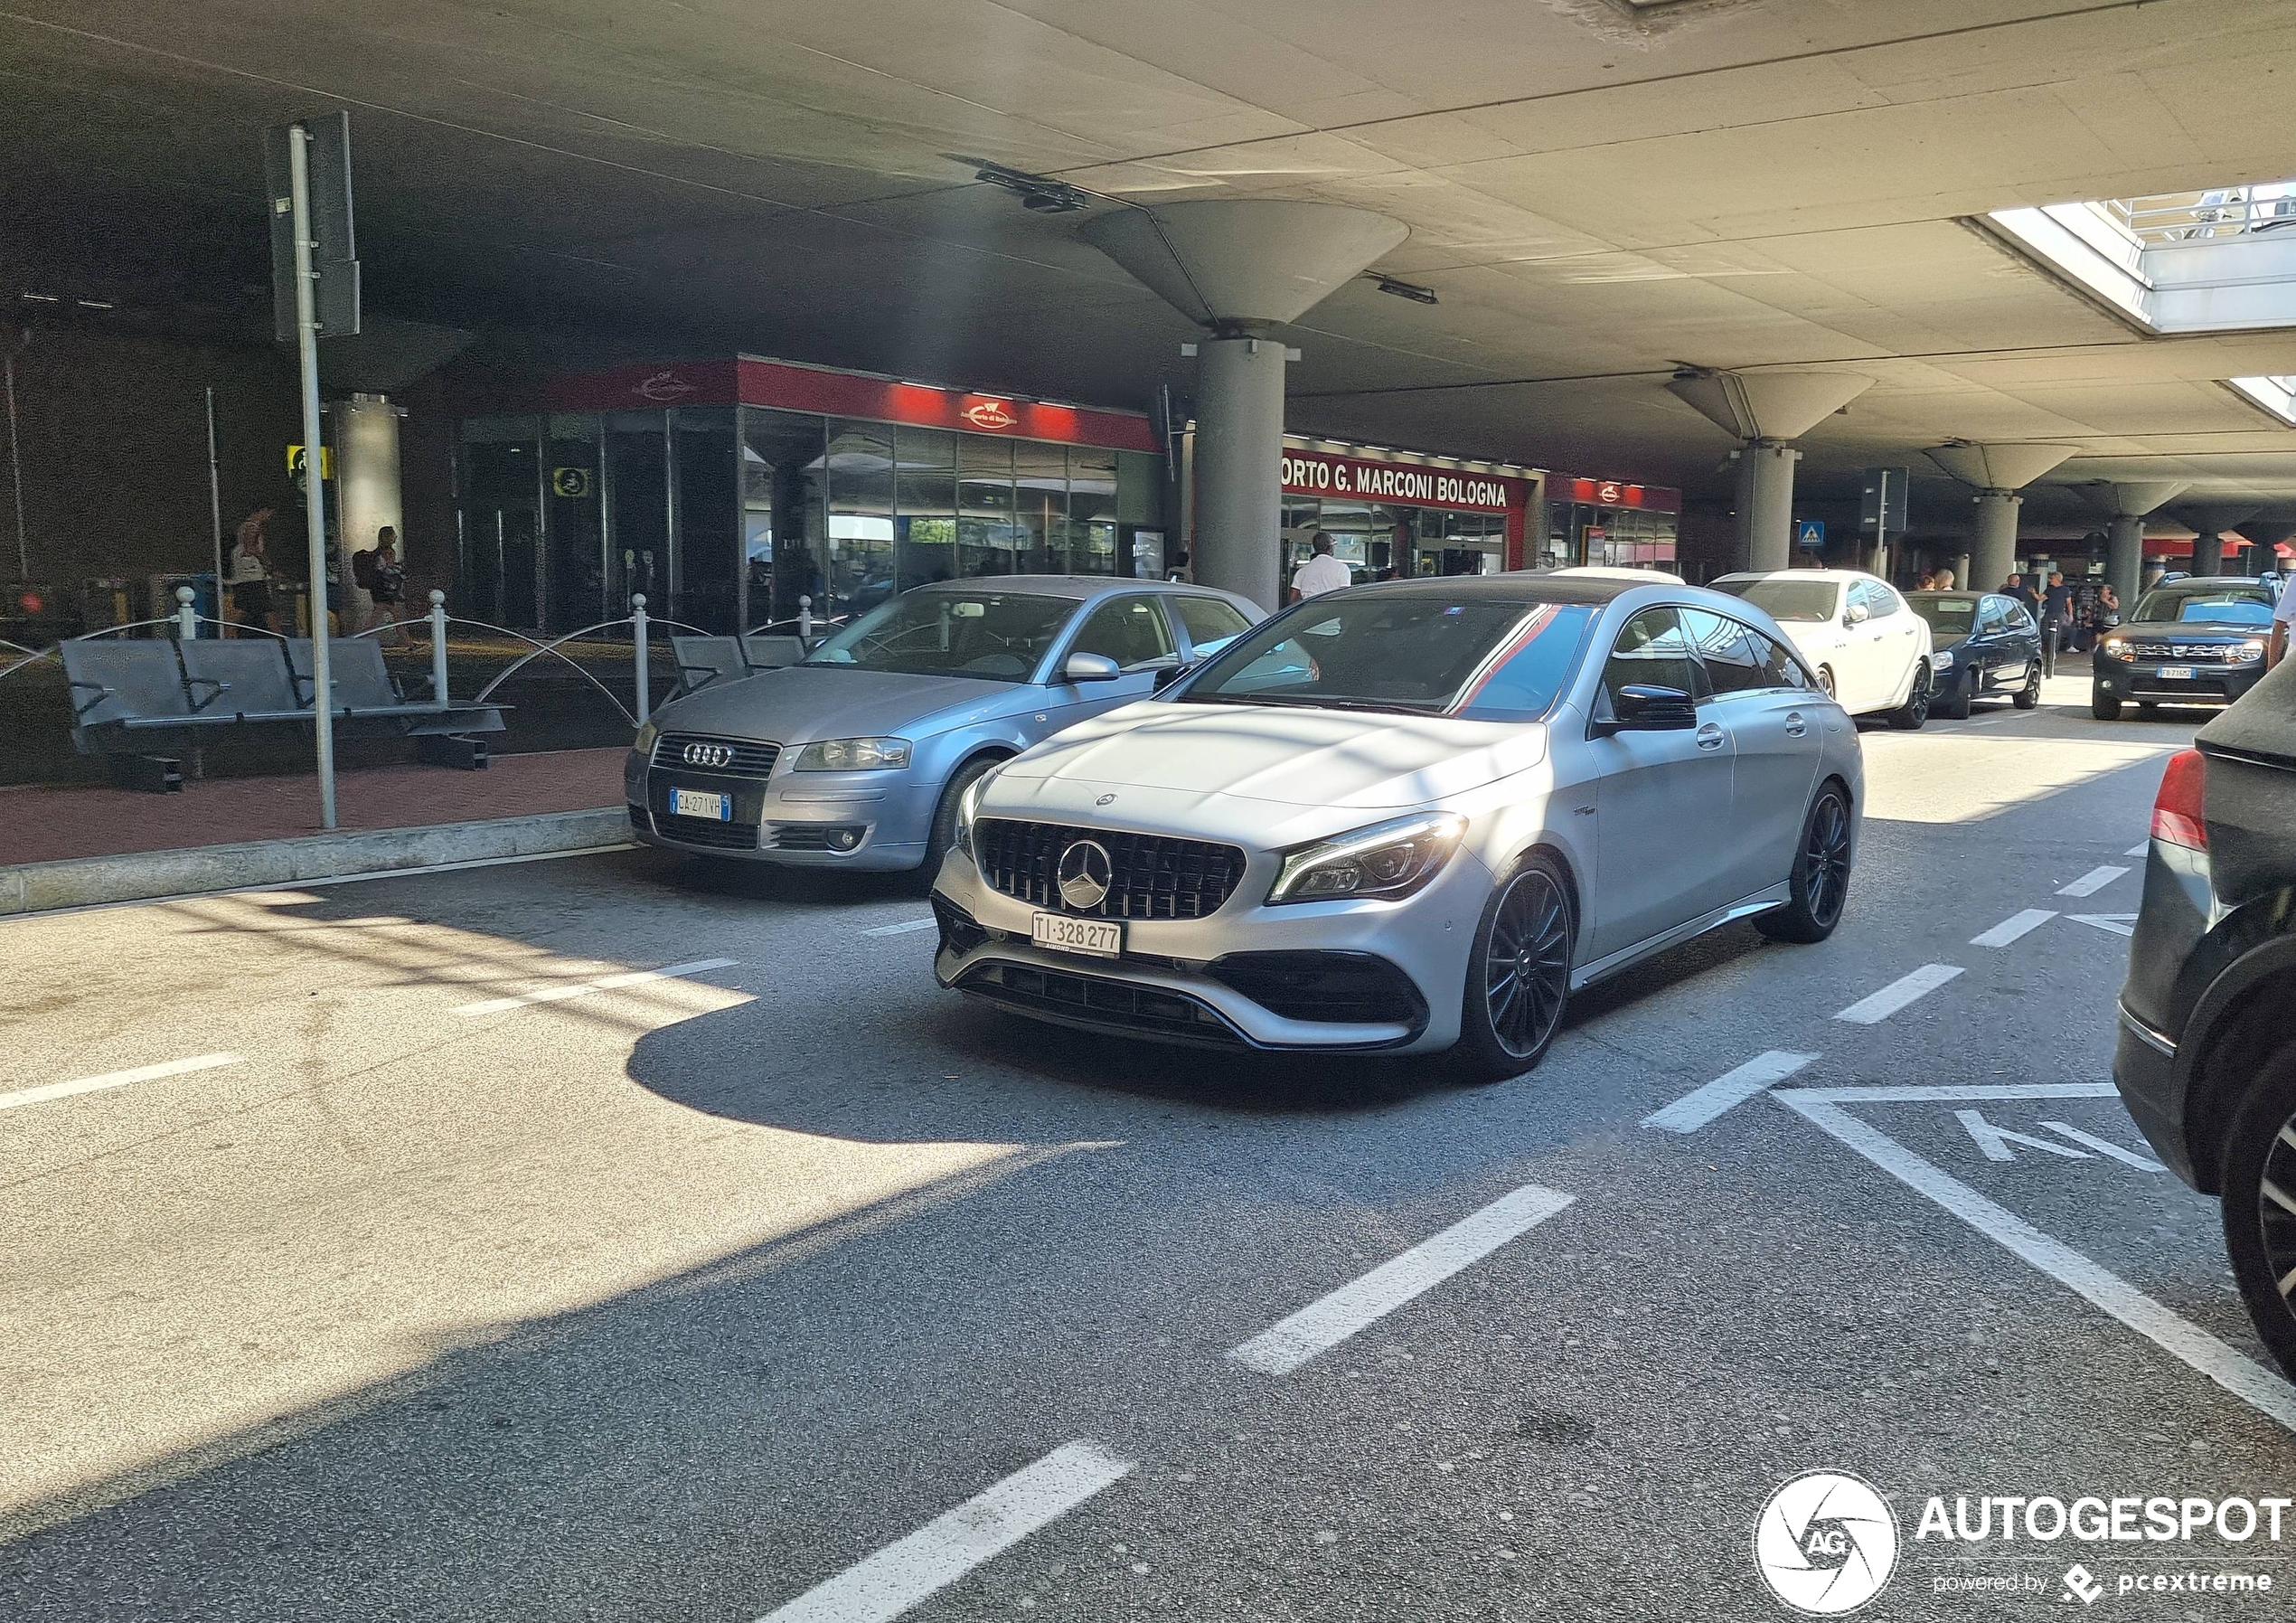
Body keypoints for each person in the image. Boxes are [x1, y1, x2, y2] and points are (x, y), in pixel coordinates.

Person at [225, 506, 275, 635]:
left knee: (245, 608)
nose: (269, 516)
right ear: (261, 511)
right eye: (268, 512)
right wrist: (266, 561)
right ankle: (280, 637)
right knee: (267, 609)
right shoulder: (252, 527)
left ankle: (228, 631)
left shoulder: (244, 527)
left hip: (246, 577)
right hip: (252, 576)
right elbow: (250, 548)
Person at [1287, 532, 1352, 602]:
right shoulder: (1342, 569)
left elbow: (1293, 599)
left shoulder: (1302, 571)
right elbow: (1345, 596)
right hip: (1332, 610)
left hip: (1308, 610)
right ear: (1329, 548)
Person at [2038, 570, 2075, 678]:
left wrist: (2070, 615)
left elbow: (2069, 603)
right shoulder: (2049, 590)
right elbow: (2040, 598)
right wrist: (2033, 593)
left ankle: (2053, 651)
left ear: (2057, 579)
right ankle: (2046, 649)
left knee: (2057, 633)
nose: (2050, 580)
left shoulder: (2065, 590)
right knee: (2043, 631)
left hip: (2058, 613)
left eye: (2052, 578)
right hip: (2048, 613)